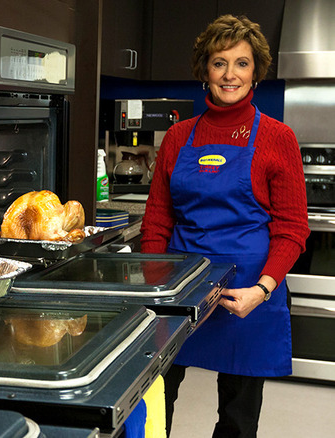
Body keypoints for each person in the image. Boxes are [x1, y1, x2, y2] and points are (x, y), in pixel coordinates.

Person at [140, 14, 310, 438]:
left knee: (237, 419)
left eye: (241, 63)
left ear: (256, 73)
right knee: (155, 403)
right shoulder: (178, 137)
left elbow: (292, 228)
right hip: (181, 290)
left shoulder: (277, 137)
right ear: (205, 71)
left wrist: (264, 288)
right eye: (219, 63)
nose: (229, 74)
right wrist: (154, 286)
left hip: (249, 291)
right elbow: (158, 218)